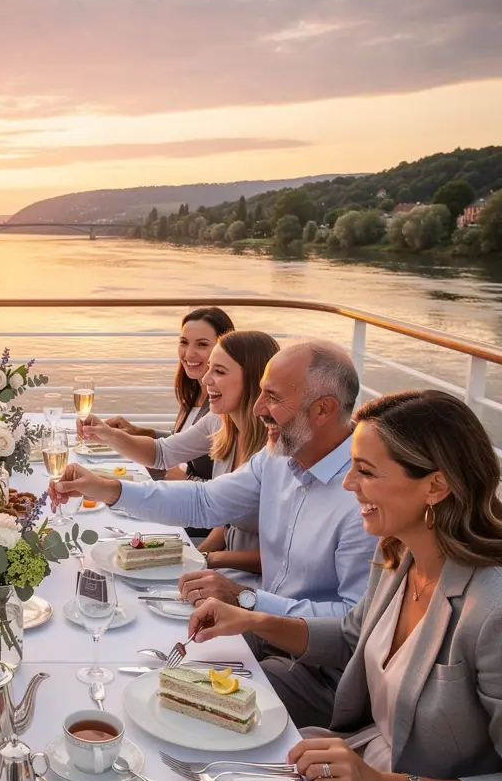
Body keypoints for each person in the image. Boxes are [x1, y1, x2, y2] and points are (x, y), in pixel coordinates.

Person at [187, 390, 502, 781]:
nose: (349, 484)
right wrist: (250, 619)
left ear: (436, 485)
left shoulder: (492, 608)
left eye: (365, 471)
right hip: (355, 763)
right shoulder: (398, 551)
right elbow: (354, 638)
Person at [50, 338, 379, 728]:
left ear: (323, 410)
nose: (258, 411)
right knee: (145, 650)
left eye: (272, 398)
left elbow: (353, 624)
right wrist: (108, 488)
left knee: (173, 704)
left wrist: (249, 600)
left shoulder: (364, 495)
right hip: (261, 631)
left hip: (317, 673)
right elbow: (204, 502)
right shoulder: (277, 458)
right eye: (260, 395)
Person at [80, 329, 279, 587]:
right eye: (209, 369)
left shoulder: (276, 451)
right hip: (222, 566)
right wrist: (107, 435)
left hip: (255, 583)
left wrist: (206, 558)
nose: (206, 379)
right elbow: (162, 453)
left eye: (219, 371)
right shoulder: (220, 423)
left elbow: (282, 558)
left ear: (254, 380)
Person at [98, 306, 234, 484]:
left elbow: (232, 487)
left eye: (202, 344)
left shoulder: (223, 407)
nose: (189, 353)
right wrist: (140, 432)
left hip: (192, 499)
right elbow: (184, 440)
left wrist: (189, 480)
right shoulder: (194, 393)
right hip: (174, 487)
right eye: (184, 342)